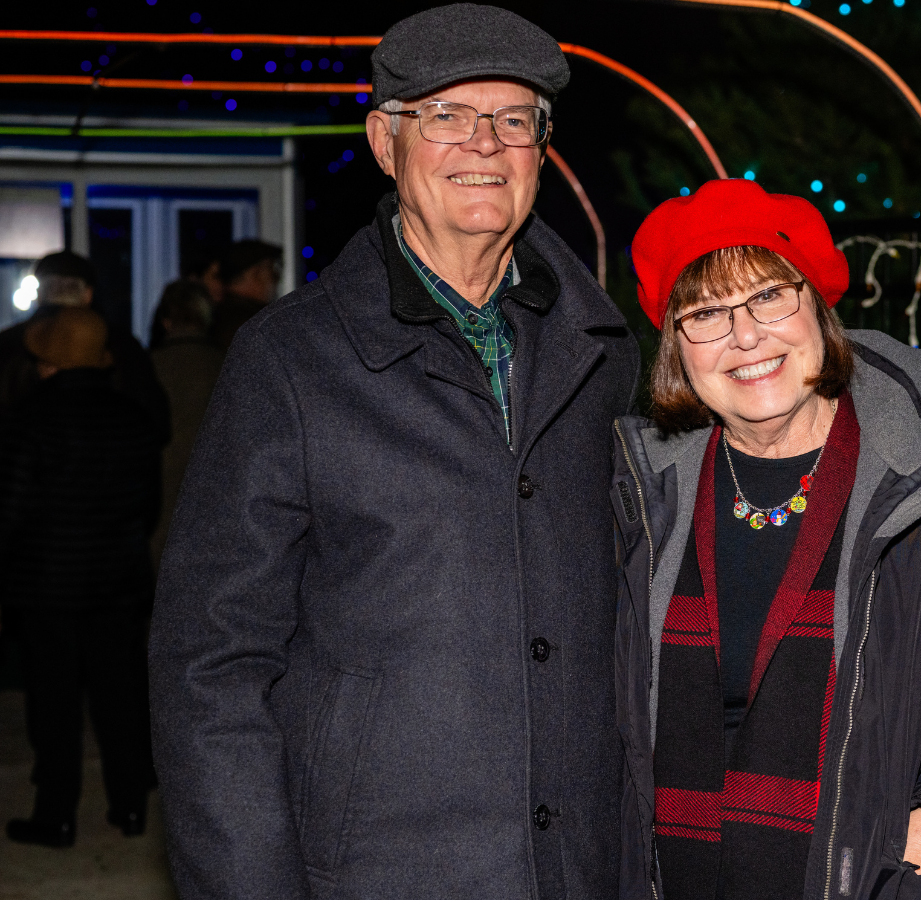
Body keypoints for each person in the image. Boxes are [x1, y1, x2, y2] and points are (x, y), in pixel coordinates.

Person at [149, 5, 639, 899]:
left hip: (580, 865)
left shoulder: (603, 352)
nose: (484, 144)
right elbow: (211, 663)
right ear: (386, 141)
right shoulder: (291, 360)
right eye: (446, 115)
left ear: (541, 149)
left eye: (514, 119)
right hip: (378, 867)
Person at [611, 179, 921, 900]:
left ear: (817, 305)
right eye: (705, 313)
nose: (745, 336)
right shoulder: (634, 493)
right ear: (676, 347)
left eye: (769, 295)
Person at [0, 308, 159, 848]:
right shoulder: (133, 419)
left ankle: (57, 816)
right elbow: (148, 507)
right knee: (120, 698)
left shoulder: (28, 418)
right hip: (118, 583)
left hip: (47, 589)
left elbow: (11, 511)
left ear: (46, 362)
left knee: (54, 705)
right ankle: (131, 807)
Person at [0, 251, 170, 443]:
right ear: (88, 294)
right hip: (112, 465)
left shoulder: (7, 344)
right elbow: (156, 422)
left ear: (39, 294)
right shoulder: (122, 345)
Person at [148, 280, 224, 570]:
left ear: (166, 321)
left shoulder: (147, 369)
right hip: (211, 506)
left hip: (158, 503)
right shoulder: (226, 367)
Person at [209, 239, 282, 350]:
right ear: (255, 274)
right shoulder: (251, 324)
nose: (276, 278)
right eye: (271, 270)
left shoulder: (218, 316)